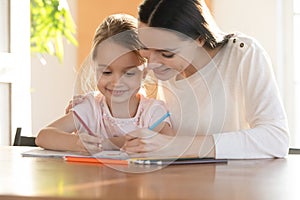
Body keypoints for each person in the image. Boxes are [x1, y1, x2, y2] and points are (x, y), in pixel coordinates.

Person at [120, 0, 290, 159]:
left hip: (235, 184)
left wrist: (177, 146)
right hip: (179, 183)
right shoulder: (166, 68)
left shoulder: (242, 53)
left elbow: (276, 139)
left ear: (199, 39)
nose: (152, 64)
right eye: (145, 48)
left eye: (166, 54)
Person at [35, 14, 175, 153]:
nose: (116, 82)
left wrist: (107, 144)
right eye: (107, 72)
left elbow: (171, 144)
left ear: (144, 73)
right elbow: (43, 136)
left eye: (129, 73)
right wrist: (77, 143)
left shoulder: (152, 112)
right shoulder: (91, 107)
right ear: (95, 69)